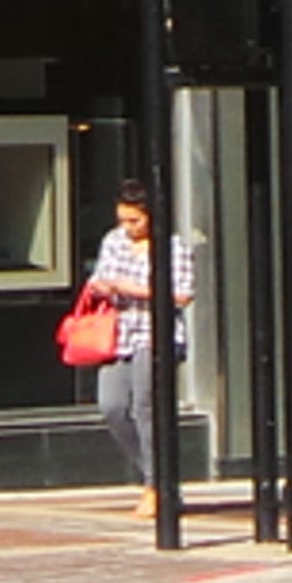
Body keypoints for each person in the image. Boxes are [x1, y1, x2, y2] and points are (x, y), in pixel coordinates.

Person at [86, 179, 194, 520]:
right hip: (118, 333)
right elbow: (100, 278)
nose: (128, 228)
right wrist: (103, 286)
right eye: (123, 220)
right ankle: (157, 473)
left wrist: (128, 287)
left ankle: (156, 485)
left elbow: (182, 294)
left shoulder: (173, 247)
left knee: (147, 406)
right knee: (112, 405)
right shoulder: (114, 241)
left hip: (155, 333)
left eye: (135, 221)